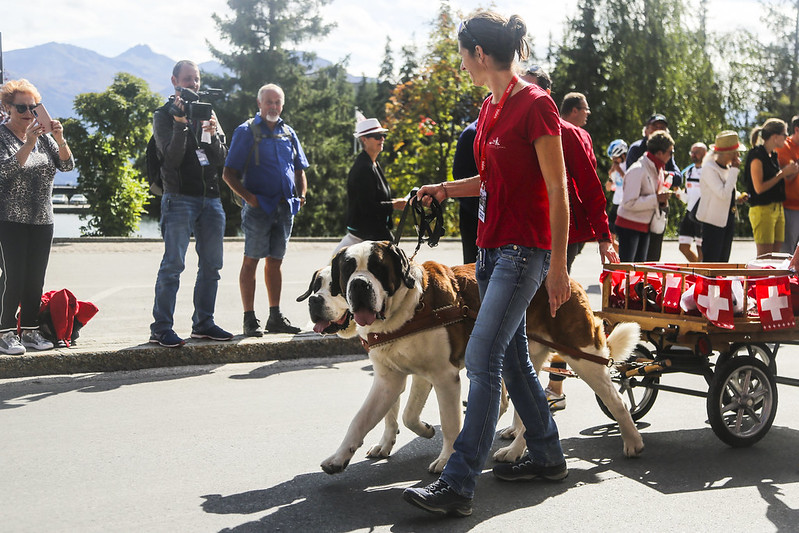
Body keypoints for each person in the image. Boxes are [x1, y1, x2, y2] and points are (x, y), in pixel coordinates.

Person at [402, 10, 571, 517]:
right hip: (490, 250)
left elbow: (558, 190)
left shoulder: (535, 106)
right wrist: (443, 189)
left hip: (524, 253)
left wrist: (559, 266)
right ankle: (547, 454)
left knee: (481, 358)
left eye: (462, 54)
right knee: (514, 358)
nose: (461, 63)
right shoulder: (491, 107)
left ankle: (457, 483)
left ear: (479, 54)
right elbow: (491, 179)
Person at [522, 66, 618, 411]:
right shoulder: (515, 127)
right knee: (530, 313)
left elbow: (592, 189)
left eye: (529, 90)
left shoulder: (569, 133)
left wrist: (604, 236)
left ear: (546, 95)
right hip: (526, 233)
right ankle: (523, 391)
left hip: (563, 234)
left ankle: (555, 386)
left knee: (555, 306)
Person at [149, 60, 232, 348]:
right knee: (173, 265)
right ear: (175, 81)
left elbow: (222, 158)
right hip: (179, 197)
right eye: (187, 79)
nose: (193, 84)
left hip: (211, 197)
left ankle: (203, 324)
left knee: (212, 266)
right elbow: (170, 159)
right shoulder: (163, 115)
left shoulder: (208, 112)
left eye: (196, 79)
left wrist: (210, 134)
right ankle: (161, 328)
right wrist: (181, 124)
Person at [223, 84, 309, 336]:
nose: (273, 106)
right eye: (269, 102)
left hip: (284, 207)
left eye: (277, 102)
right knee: (251, 261)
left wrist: (301, 195)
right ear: (259, 104)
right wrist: (249, 198)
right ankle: (249, 319)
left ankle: (275, 317)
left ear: (282, 105)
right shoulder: (245, 131)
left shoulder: (289, 132)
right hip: (259, 208)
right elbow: (228, 173)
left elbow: (299, 169)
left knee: (275, 262)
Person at [0, 79, 73, 355]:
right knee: (12, 277)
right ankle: (5, 332)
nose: (29, 113)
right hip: (8, 219)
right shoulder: (2, 136)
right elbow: (4, 172)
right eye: (22, 107)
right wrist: (28, 144)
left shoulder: (43, 138)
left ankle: (29, 331)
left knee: (34, 279)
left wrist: (59, 138)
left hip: (42, 218)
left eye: (34, 107)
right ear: (6, 107)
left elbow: (66, 165)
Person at [334, 118, 405, 254]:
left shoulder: (373, 164)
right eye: (377, 136)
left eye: (383, 135)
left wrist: (394, 203)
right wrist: (394, 205)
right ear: (364, 139)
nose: (382, 139)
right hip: (365, 236)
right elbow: (367, 207)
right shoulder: (363, 168)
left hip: (374, 232)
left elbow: (377, 199)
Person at [626, 114, 682, 261]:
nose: (659, 130)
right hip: (636, 213)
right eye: (655, 127)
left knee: (652, 259)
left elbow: (678, 177)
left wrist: (662, 174)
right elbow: (632, 182)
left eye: (662, 128)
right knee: (634, 261)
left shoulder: (666, 151)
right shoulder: (636, 149)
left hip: (658, 212)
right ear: (646, 130)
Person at [743, 118, 799, 257]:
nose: (787, 138)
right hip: (763, 209)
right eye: (785, 135)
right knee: (764, 257)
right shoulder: (756, 155)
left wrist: (791, 171)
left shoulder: (772, 155)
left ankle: (775, 280)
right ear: (775, 137)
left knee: (777, 257)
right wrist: (782, 174)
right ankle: (757, 279)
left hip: (777, 208)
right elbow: (759, 188)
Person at [615, 131, 674, 262]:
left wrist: (661, 200)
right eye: (670, 152)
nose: (671, 156)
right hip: (629, 226)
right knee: (628, 271)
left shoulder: (657, 168)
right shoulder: (638, 169)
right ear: (659, 153)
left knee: (640, 272)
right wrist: (657, 199)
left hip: (644, 225)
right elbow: (628, 203)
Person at [696, 132, 744, 262]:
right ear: (727, 153)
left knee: (723, 262)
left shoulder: (727, 167)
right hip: (713, 222)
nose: (738, 156)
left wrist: (738, 196)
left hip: (727, 220)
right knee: (712, 262)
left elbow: (728, 189)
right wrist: (734, 170)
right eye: (736, 152)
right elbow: (722, 194)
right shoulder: (709, 169)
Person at [452, 119, 480, 263]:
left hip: (492, 215)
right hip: (473, 214)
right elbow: (458, 174)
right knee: (473, 268)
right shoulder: (471, 134)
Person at [678, 142, 708, 262]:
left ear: (704, 154)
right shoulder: (689, 171)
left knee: (701, 248)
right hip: (689, 212)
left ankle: (702, 274)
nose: (693, 155)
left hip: (702, 214)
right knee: (683, 247)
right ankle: (698, 270)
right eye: (692, 152)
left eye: (697, 152)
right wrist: (678, 194)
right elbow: (687, 196)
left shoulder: (708, 170)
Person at [776, 115, 799, 253]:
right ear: (797, 129)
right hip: (790, 207)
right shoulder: (785, 146)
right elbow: (789, 176)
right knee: (788, 254)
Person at [559, 92, 596, 169]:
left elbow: (592, 167)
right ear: (575, 110)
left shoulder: (585, 135)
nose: (588, 112)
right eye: (586, 109)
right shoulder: (555, 132)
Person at [606, 139, 628, 252]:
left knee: (624, 237)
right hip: (616, 203)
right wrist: (611, 175)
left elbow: (629, 181)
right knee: (610, 237)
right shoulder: (615, 167)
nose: (614, 161)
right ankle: (620, 259)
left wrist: (619, 170)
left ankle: (626, 259)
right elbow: (608, 188)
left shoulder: (629, 165)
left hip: (625, 204)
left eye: (616, 158)